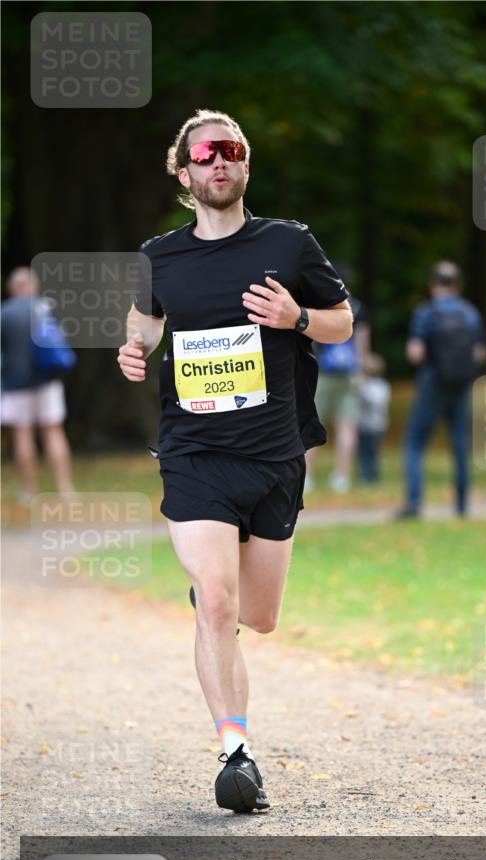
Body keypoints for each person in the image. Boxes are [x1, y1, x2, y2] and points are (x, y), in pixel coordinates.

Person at [117, 109, 352, 814]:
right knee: (218, 604)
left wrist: (296, 319)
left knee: (261, 616)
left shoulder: (288, 243)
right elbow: (147, 320)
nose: (219, 161)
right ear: (183, 171)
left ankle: (214, 598)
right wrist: (135, 348)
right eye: (205, 154)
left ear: (245, 163)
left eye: (231, 150)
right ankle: (235, 754)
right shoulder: (159, 256)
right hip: (193, 453)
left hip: (275, 454)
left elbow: (343, 322)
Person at [397, 261, 486, 519]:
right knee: (459, 443)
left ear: (432, 284)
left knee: (414, 442)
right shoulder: (470, 313)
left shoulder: (426, 312)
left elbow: (415, 352)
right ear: (458, 285)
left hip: (432, 382)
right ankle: (461, 505)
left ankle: (414, 504)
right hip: (461, 385)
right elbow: (480, 353)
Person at [0, 267, 74, 502]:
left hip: (15, 383)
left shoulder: (4, 313)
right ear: (31, 286)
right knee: (53, 432)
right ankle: (65, 489)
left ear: (13, 289)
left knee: (23, 435)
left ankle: (29, 491)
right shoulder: (46, 308)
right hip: (48, 380)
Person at [304, 278, 370, 493]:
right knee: (347, 425)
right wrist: (362, 373)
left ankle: (307, 476)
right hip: (349, 373)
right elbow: (362, 346)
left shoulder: (321, 303)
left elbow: (312, 339)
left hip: (324, 372)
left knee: (312, 422)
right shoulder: (357, 307)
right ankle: (341, 477)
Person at [356, 352, 391, 483]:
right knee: (363, 452)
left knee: (372, 452)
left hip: (376, 426)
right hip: (365, 425)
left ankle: (372, 476)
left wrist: (362, 392)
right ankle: (364, 475)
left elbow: (375, 401)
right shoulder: (379, 385)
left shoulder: (379, 386)